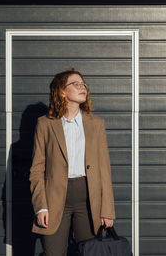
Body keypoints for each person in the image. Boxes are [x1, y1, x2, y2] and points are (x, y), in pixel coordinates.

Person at [29, 68, 116, 256]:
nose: (82, 87)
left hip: (88, 198)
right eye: (75, 84)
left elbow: (104, 169)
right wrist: (41, 206)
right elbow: (37, 169)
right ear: (62, 91)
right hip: (54, 198)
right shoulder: (45, 124)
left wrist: (107, 209)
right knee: (53, 253)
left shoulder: (96, 124)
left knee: (89, 251)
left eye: (83, 84)